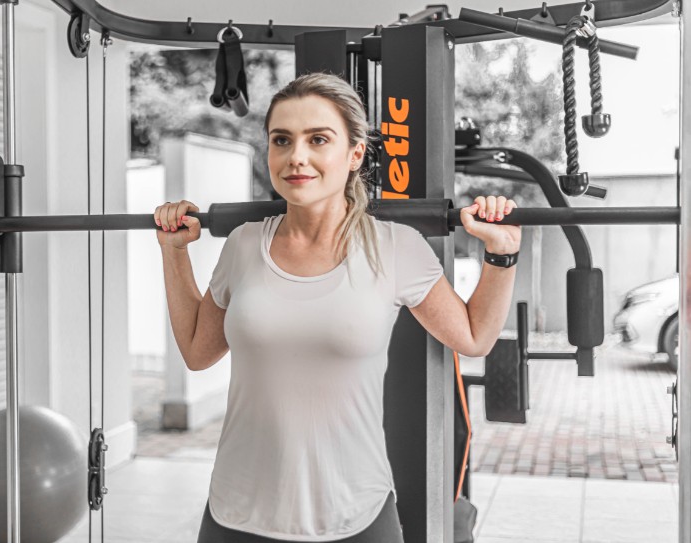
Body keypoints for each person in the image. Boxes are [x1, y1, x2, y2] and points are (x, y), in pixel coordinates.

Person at [154, 73, 521, 543]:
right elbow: (197, 351)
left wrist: (502, 254)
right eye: (281, 140)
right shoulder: (244, 245)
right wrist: (174, 252)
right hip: (237, 513)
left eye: (318, 139)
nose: (296, 157)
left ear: (354, 154)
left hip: (357, 516)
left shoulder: (396, 247)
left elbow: (474, 336)